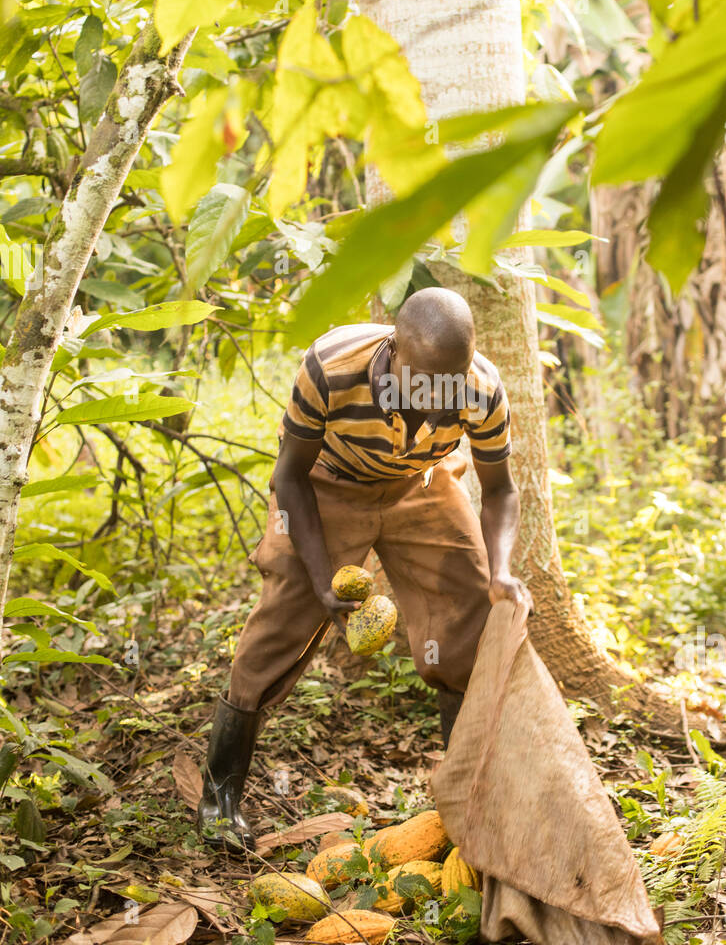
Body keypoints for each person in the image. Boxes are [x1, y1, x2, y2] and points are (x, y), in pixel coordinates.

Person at [197, 287, 532, 849]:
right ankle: (219, 797)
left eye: (450, 384)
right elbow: (290, 478)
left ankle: (468, 800)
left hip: (420, 486)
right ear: (396, 352)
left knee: (468, 617)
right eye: (424, 384)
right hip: (326, 486)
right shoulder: (330, 367)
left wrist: (500, 571)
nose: (438, 402)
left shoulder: (480, 386)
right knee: (282, 623)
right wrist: (323, 578)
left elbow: (499, 491)